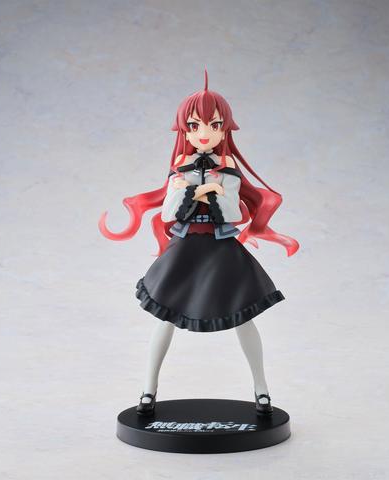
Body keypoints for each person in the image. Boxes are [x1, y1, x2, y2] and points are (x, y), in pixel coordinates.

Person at [99, 69, 299, 417]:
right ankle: (148, 390)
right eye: (194, 126)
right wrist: (202, 190)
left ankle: (262, 390)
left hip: (221, 249)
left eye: (214, 125)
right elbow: (169, 212)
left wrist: (205, 191)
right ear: (184, 130)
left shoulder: (228, 165)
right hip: (186, 249)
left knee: (243, 317)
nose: (204, 133)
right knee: (165, 317)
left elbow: (232, 212)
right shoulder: (180, 166)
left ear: (224, 129)